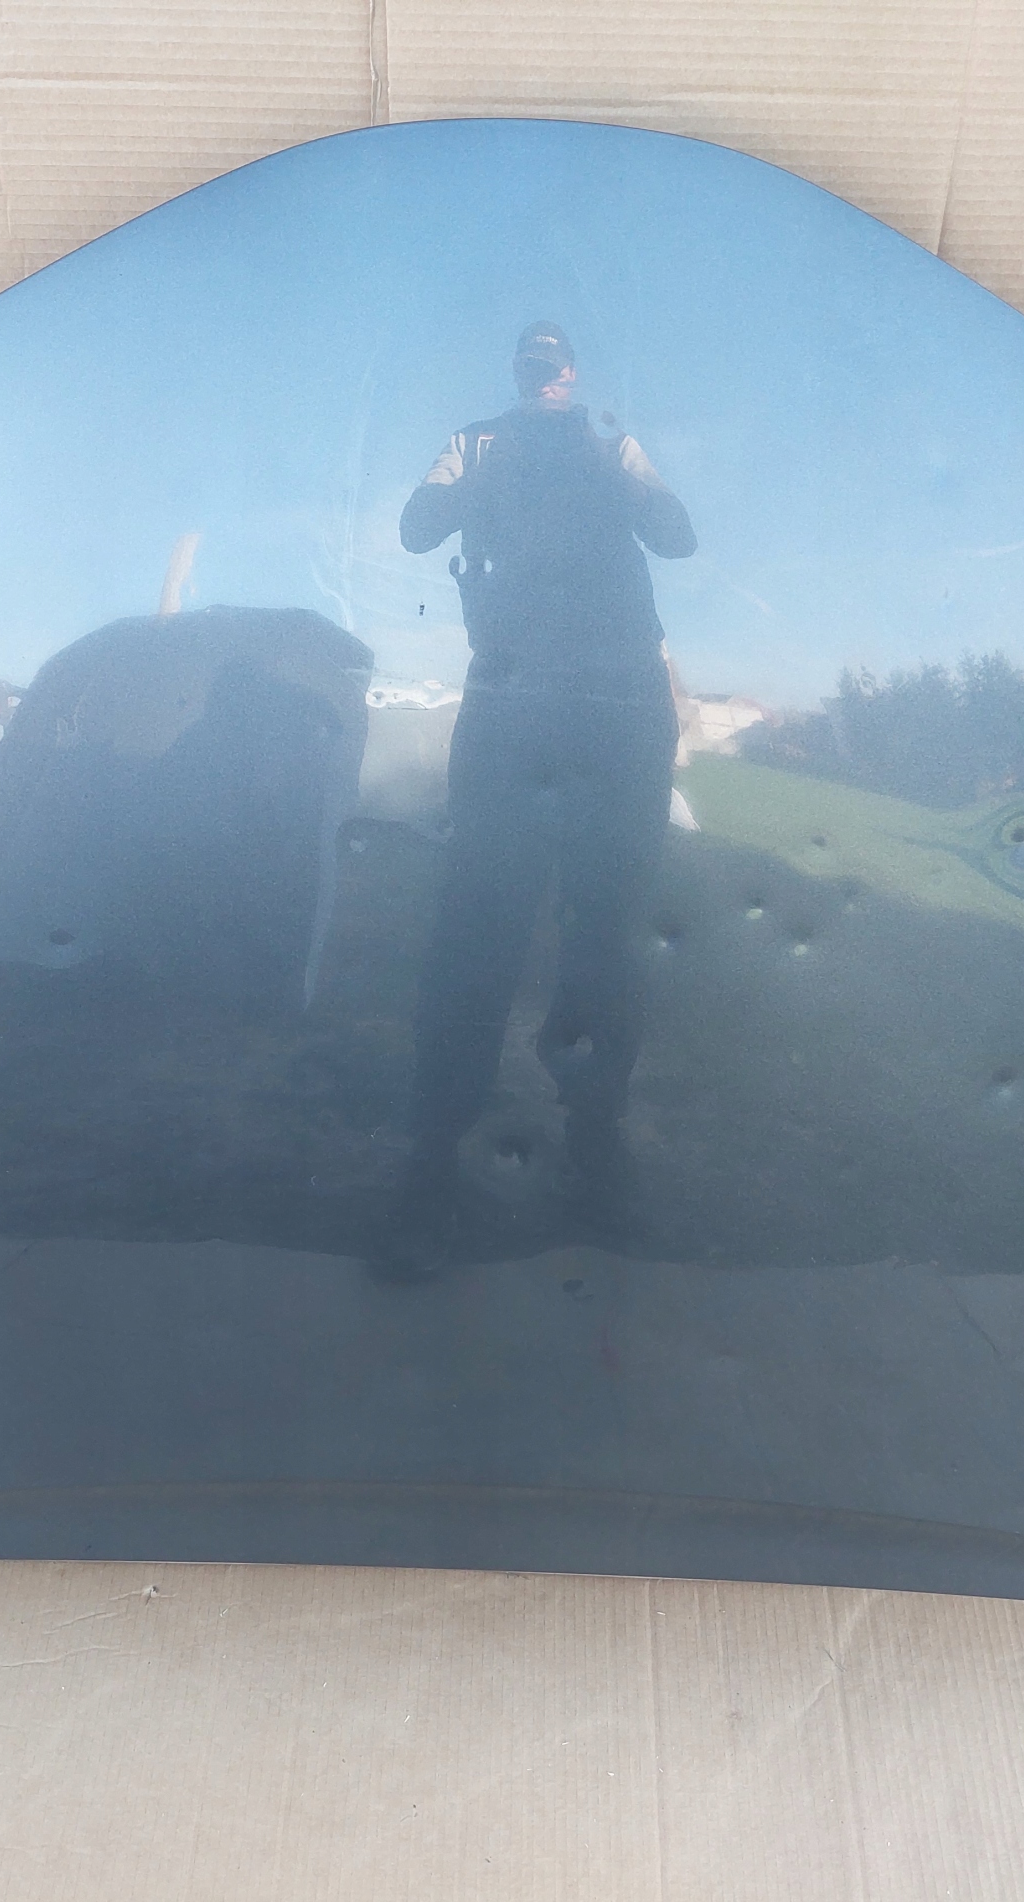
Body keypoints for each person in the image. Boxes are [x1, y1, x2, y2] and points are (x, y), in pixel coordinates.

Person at [386, 322, 697, 1269]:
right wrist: (481, 470)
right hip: (514, 693)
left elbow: (677, 536)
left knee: (609, 927)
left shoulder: (612, 443)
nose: (547, 381)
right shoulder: (477, 441)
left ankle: (596, 1144)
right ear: (521, 376)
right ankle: (431, 1164)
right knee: (478, 921)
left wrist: (618, 468)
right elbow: (415, 528)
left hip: (620, 696)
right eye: (533, 368)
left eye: (557, 368)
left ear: (574, 374)